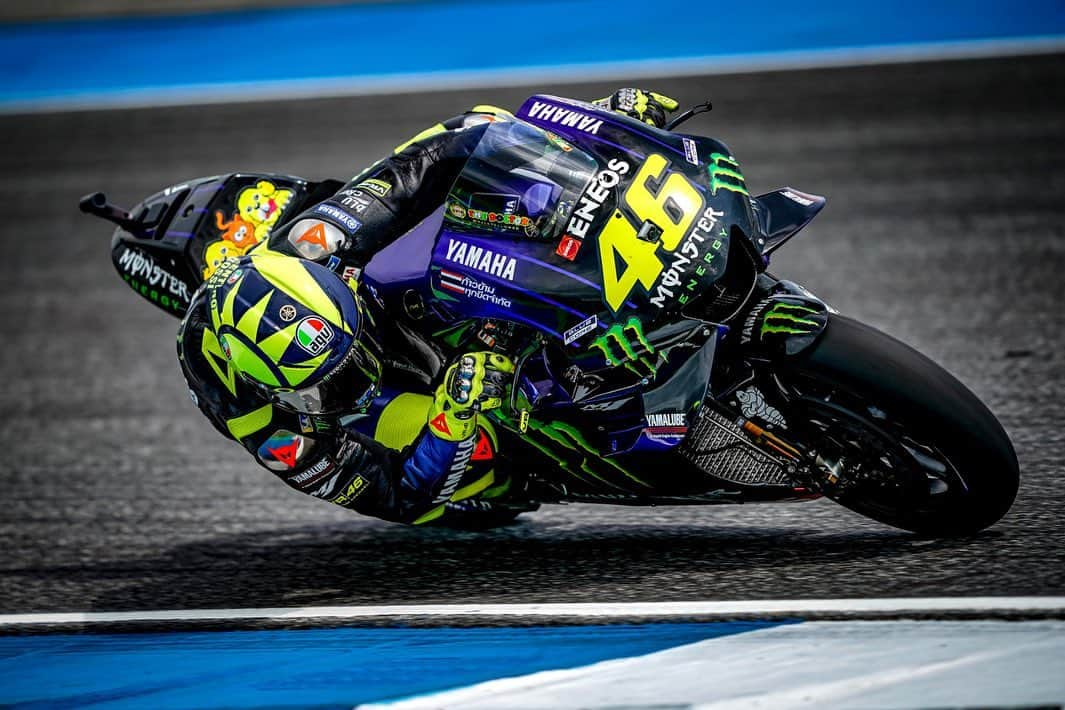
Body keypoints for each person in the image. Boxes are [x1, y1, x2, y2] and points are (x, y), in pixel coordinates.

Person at [177, 89, 679, 526]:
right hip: (387, 420)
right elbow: (399, 497)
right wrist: (450, 420)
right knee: (488, 464)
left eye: (348, 367)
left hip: (359, 292)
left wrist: (593, 130)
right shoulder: (267, 425)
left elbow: (464, 135)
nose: (358, 379)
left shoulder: (319, 242)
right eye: (329, 386)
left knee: (496, 196)